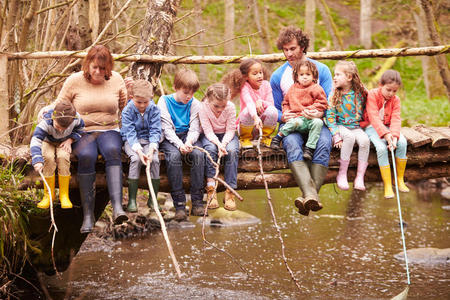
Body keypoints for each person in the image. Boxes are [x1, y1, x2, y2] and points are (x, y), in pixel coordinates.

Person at [40, 45, 129, 233]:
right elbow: (61, 105)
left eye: (102, 68)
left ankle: (118, 208)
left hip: (108, 129)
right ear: (88, 65)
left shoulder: (117, 80)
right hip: (80, 131)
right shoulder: (74, 81)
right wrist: (46, 114)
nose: (98, 72)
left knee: (113, 150)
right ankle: (88, 216)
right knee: (87, 155)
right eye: (94, 67)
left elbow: (124, 106)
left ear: (108, 68)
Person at [270, 26, 333, 216]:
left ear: (303, 47)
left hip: (316, 122)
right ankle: (311, 196)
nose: (288, 53)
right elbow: (275, 107)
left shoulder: (321, 70)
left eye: (292, 49)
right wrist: (282, 116)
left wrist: (319, 115)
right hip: (292, 125)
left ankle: (307, 196)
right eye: (285, 49)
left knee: (324, 142)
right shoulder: (277, 76)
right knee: (291, 144)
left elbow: (330, 101)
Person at [158, 68, 205, 221]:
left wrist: (189, 142)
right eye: (185, 92)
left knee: (198, 155)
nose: (189, 96)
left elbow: (195, 127)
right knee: (173, 157)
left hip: (188, 136)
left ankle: (197, 201)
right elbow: (166, 128)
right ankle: (179, 204)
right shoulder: (164, 101)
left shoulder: (195, 103)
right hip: (170, 137)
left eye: (192, 93)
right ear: (175, 88)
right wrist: (179, 145)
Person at [361, 69, 409, 198]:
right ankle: (387, 185)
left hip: (389, 127)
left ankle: (399, 179)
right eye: (388, 90)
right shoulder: (372, 95)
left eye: (394, 91)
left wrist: (393, 136)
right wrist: (385, 135)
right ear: (380, 85)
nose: (391, 93)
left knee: (402, 142)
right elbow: (373, 117)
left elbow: (396, 118)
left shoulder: (396, 100)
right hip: (372, 127)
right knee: (381, 148)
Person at [270, 60, 328, 162]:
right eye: (301, 74)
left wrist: (312, 109)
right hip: (297, 118)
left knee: (318, 123)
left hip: (310, 119)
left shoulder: (317, 88)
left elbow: (322, 103)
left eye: (308, 74)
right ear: (296, 77)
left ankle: (309, 149)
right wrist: (286, 112)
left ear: (314, 76)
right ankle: (278, 137)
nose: (304, 77)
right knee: (294, 123)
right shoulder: (292, 89)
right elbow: (285, 102)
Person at [31, 101, 84, 209]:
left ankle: (64, 195)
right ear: (53, 118)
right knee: (48, 157)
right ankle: (48, 195)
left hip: (64, 142)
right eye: (57, 126)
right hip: (47, 141)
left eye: (63, 129)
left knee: (63, 157)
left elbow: (81, 129)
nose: (59, 130)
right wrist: (37, 159)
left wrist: (70, 140)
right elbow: (36, 140)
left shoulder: (75, 119)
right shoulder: (46, 122)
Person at [326, 61, 370, 191]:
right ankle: (342, 174)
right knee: (349, 138)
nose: (334, 77)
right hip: (340, 126)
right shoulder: (334, 94)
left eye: (338, 74)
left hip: (355, 126)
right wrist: (336, 135)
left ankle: (359, 177)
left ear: (349, 77)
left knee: (365, 141)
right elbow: (330, 117)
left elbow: (371, 99)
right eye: (335, 74)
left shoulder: (359, 93)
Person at [121, 80, 161, 213]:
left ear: (151, 98)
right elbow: (130, 133)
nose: (142, 105)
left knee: (154, 160)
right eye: (139, 102)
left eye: (146, 102)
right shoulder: (127, 110)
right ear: (132, 98)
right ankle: (132, 199)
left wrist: (151, 150)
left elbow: (156, 131)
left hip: (149, 141)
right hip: (131, 141)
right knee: (136, 160)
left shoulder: (154, 109)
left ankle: (153, 199)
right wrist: (139, 151)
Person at [199, 83, 239, 211]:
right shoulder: (203, 107)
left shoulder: (231, 107)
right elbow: (208, 131)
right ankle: (211, 189)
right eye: (216, 106)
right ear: (208, 100)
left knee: (232, 151)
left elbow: (231, 129)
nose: (220, 109)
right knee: (210, 150)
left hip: (227, 135)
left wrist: (224, 144)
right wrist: (218, 145)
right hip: (209, 135)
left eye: (224, 105)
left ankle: (230, 191)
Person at [222, 58, 278, 148]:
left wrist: (261, 102)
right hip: (247, 126)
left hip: (261, 126)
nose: (259, 76)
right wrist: (255, 117)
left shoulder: (266, 85)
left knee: (272, 110)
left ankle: (265, 137)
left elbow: (271, 103)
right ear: (246, 77)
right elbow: (249, 103)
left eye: (260, 72)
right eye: (255, 74)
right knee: (248, 111)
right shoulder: (245, 87)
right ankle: (245, 138)